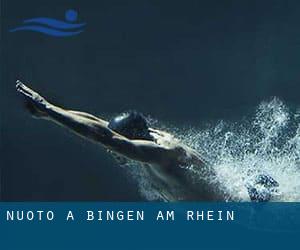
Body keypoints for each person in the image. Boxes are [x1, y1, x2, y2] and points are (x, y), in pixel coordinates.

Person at [15, 80, 278, 201]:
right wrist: (51, 113)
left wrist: (48, 109)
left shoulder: (162, 154)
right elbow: (99, 125)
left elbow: (106, 137)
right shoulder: (146, 139)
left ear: (132, 140)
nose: (110, 151)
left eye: (115, 146)